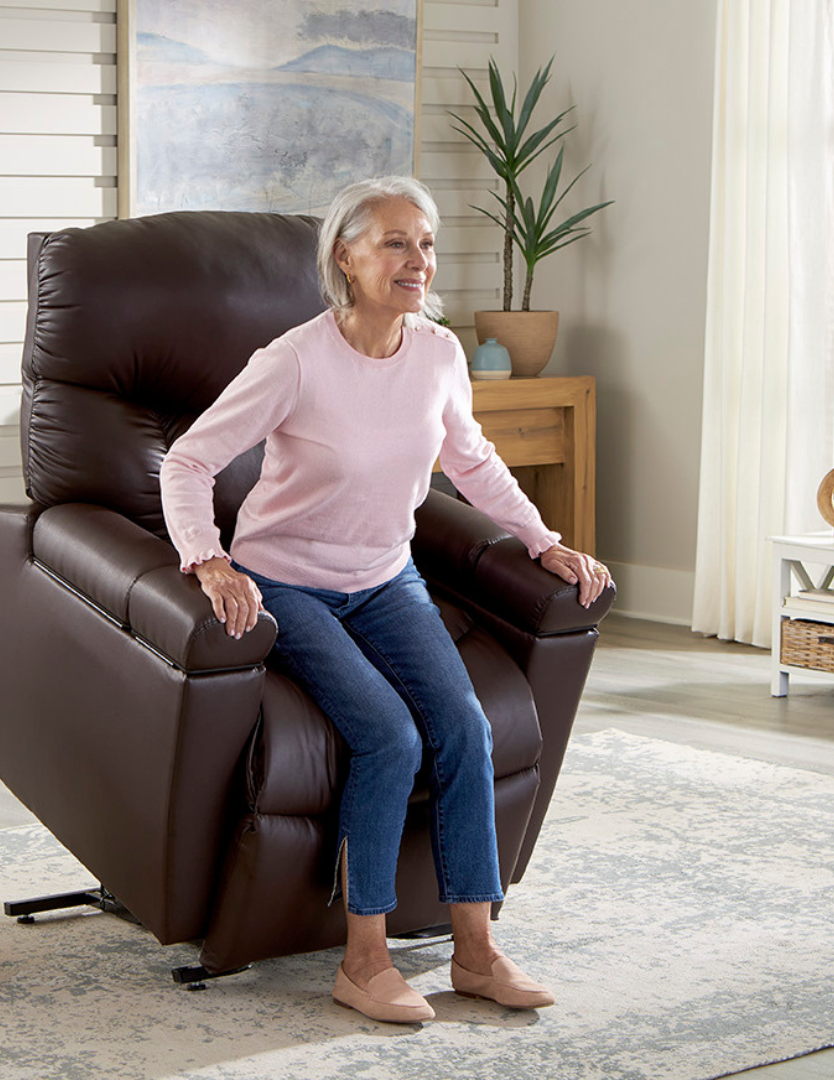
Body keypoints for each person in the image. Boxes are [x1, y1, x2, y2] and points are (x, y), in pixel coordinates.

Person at [159, 176, 610, 1024]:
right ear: (346, 255)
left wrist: (543, 539)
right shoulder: (294, 359)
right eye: (397, 242)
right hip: (289, 580)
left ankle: (474, 951)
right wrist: (210, 562)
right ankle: (363, 963)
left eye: (427, 243)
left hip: (385, 579)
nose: (419, 260)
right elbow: (186, 462)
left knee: (467, 727)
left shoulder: (438, 354)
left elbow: (471, 462)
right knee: (386, 734)